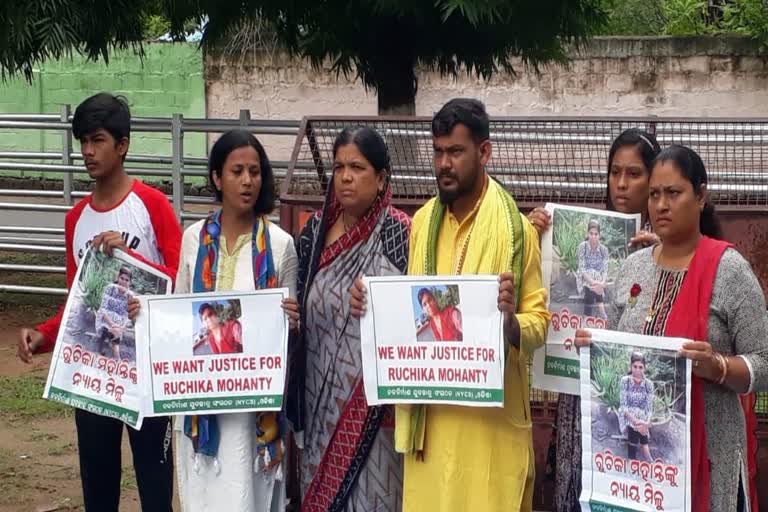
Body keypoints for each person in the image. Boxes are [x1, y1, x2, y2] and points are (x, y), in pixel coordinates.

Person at [351, 98, 549, 511]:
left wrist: (511, 322)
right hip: (433, 424)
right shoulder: (421, 222)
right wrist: (369, 306)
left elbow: (539, 323)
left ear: (484, 152)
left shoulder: (517, 232)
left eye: (456, 152)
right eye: (438, 152)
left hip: (490, 433)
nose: (444, 163)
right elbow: (410, 314)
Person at [575, 145, 768, 512]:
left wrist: (719, 367)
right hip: (637, 477)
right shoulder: (632, 268)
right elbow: (617, 352)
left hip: (710, 461)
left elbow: (765, 362)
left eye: (674, 193)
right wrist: (593, 345)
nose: (661, 205)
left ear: (701, 195)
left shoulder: (730, 270)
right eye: (654, 195)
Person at [16, 93, 180, 512]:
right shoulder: (76, 220)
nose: (88, 151)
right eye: (83, 142)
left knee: (155, 488)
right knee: (98, 490)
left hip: (146, 373)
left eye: (98, 140)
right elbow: (78, 302)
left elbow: (182, 282)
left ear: (122, 144)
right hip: (93, 375)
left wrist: (131, 259)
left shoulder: (153, 205)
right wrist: (44, 335)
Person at [529, 128, 661, 512]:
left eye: (634, 174)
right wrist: (534, 235)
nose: (621, 184)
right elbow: (541, 291)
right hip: (580, 392)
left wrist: (661, 256)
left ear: (654, 179)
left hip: (627, 397)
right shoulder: (591, 231)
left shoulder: (670, 245)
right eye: (614, 172)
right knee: (579, 484)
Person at [172, 129, 299, 511]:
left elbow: (286, 328)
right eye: (237, 171)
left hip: (251, 411)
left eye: (255, 172)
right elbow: (179, 312)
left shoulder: (279, 244)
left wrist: (291, 320)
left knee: (247, 497)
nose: (247, 181)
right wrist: (147, 316)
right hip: (200, 407)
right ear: (216, 177)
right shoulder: (193, 239)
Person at [290, 126, 410, 511]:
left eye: (357, 167)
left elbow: (422, 306)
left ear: (381, 179)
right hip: (318, 407)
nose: (345, 176)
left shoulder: (401, 235)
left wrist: (383, 298)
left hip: (377, 414)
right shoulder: (313, 234)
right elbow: (297, 307)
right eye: (340, 166)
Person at [619, 352, 654, 462]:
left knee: (641, 433)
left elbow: (649, 408)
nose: (638, 370)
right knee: (636, 434)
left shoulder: (649, 384)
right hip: (628, 416)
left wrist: (646, 423)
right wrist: (636, 422)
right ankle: (636, 459)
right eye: (635, 367)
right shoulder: (625, 381)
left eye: (640, 367)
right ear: (631, 366)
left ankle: (635, 459)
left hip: (643, 419)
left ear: (644, 368)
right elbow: (623, 406)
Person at [95, 265, 134, 360]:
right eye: (122, 278)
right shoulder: (110, 288)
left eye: (126, 280)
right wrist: (112, 325)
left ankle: (116, 357)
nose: (123, 282)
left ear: (130, 282)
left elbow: (127, 315)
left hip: (118, 322)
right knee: (110, 330)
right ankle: (108, 349)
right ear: (118, 278)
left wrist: (120, 327)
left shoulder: (130, 295)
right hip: (106, 318)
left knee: (116, 333)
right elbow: (103, 308)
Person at [576, 219, 609, 319]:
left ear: (599, 235)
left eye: (596, 234)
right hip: (584, 279)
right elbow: (582, 269)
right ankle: (602, 312)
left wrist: (601, 283)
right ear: (588, 234)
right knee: (591, 273)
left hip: (598, 280)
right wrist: (594, 283)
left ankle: (587, 316)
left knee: (595, 274)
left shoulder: (604, 250)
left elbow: (605, 270)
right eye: (591, 233)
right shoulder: (582, 247)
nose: (593, 236)